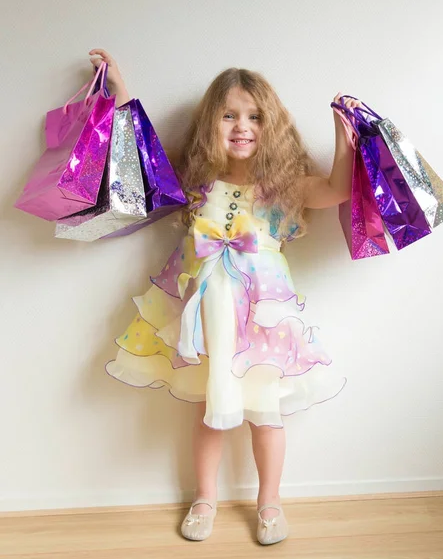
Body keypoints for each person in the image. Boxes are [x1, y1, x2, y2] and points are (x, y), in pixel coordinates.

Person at [89, 48, 360, 545]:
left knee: (265, 413)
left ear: (271, 126)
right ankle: (205, 497)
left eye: (254, 117)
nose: (242, 126)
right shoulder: (197, 184)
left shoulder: (283, 186)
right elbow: (144, 164)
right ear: (211, 124)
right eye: (229, 115)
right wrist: (121, 95)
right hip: (205, 317)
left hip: (260, 319)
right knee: (211, 409)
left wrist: (345, 137)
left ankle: (270, 503)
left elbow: (338, 190)